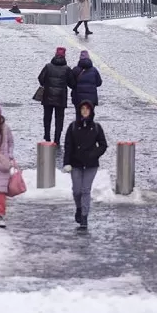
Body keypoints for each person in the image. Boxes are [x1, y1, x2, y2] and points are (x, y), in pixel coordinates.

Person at [63, 100, 108, 230]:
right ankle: (79, 208)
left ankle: (84, 216)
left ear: (91, 111)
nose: (85, 111)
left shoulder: (97, 127)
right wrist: (67, 163)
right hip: (76, 163)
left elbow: (103, 145)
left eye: (87, 109)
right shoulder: (72, 127)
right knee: (76, 190)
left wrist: (93, 154)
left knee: (85, 190)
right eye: (82, 109)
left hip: (91, 165)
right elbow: (68, 146)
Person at [38, 47, 71, 143]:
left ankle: (47, 136)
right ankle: (57, 139)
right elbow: (72, 83)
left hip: (48, 96)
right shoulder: (67, 69)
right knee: (59, 119)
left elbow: (40, 78)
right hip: (61, 98)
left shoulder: (48, 66)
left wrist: (46, 84)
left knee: (47, 117)